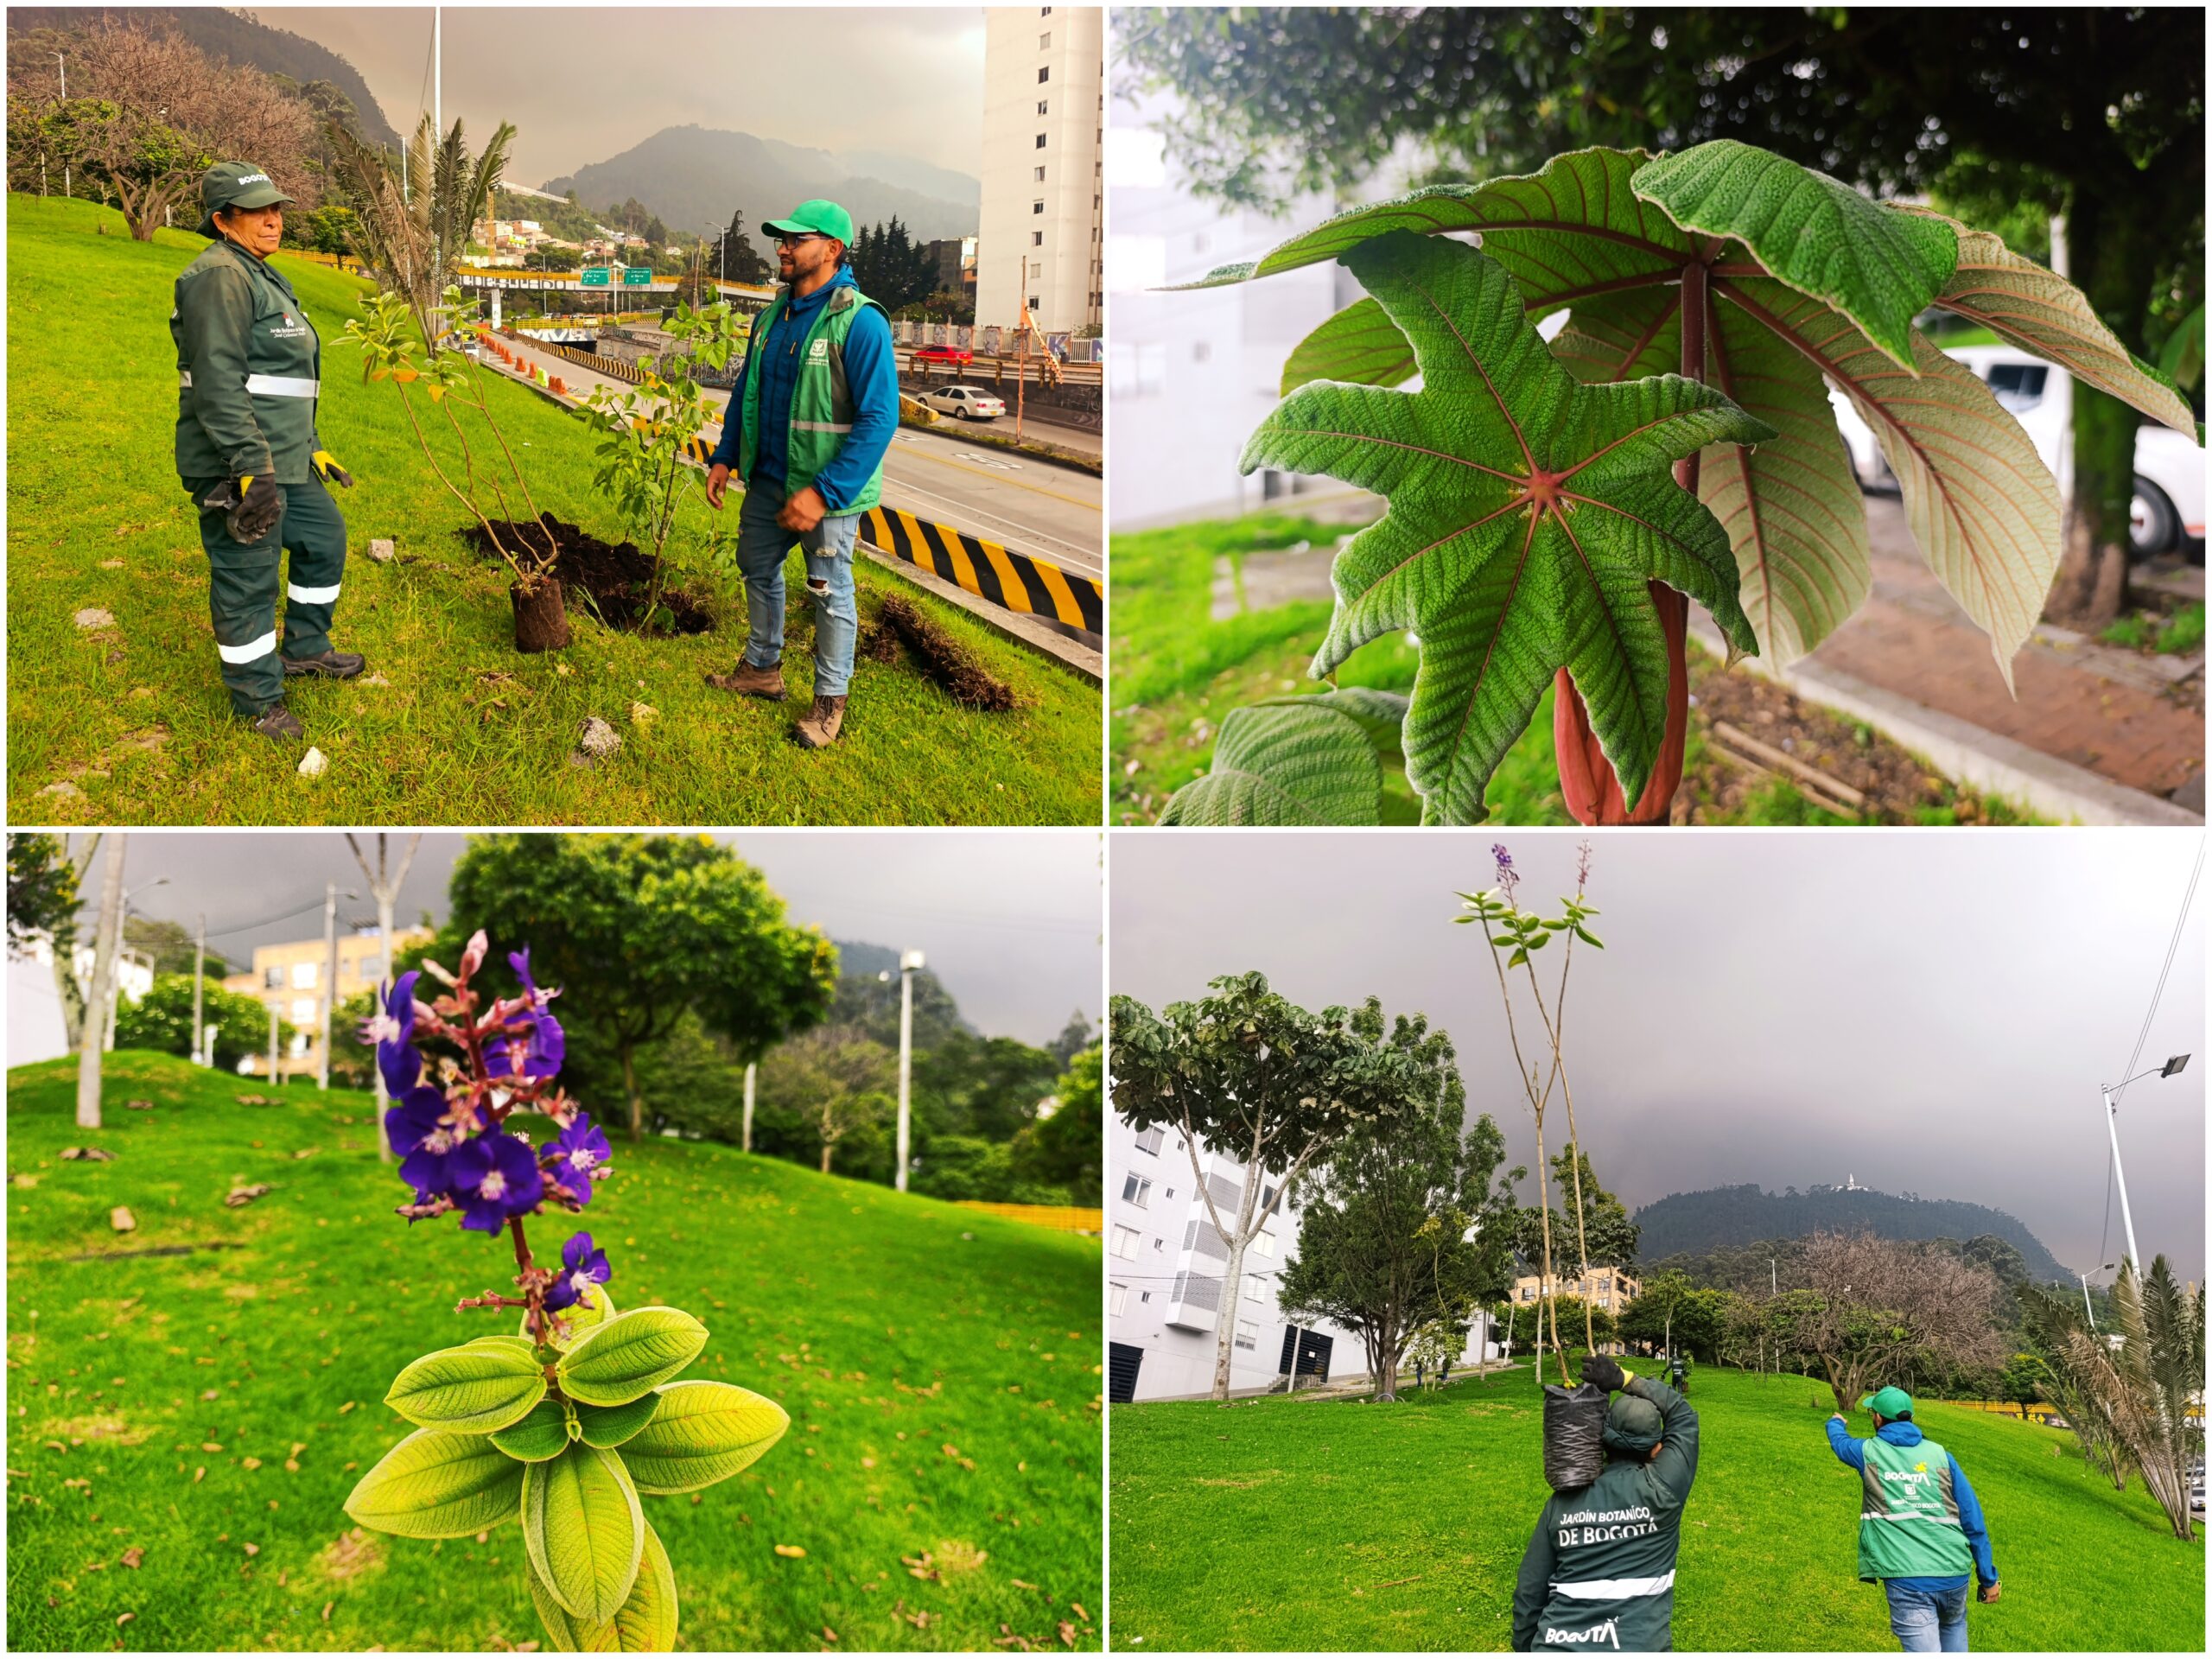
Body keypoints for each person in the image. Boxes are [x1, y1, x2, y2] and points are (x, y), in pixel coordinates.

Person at [172, 161, 363, 741]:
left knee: (323, 538)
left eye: (278, 209)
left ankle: (306, 647)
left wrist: (314, 447)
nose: (275, 221)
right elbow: (218, 383)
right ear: (223, 218)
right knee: (248, 576)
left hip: (287, 457)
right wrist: (251, 468)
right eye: (259, 211)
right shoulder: (217, 277)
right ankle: (257, 699)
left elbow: (284, 380)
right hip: (241, 465)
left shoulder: (259, 273)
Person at [702, 199, 898, 749]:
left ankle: (829, 702)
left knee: (830, 593)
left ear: (833, 249)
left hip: (827, 494)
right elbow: (747, 392)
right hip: (767, 482)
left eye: (796, 240)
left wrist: (824, 492)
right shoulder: (771, 316)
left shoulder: (860, 322)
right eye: (781, 240)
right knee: (756, 567)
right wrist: (725, 456)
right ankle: (762, 669)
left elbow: (881, 419)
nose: (783, 249)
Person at [1512, 1353, 1699, 1651]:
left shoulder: (1562, 1502)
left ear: (1602, 1439)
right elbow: (1684, 1415)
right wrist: (1625, 1378)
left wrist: (1524, 1646)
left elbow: (1530, 1591)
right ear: (1656, 1450)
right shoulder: (1665, 1488)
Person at [1827, 1386, 1999, 1653]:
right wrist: (1988, 1578)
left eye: (1872, 1413)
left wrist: (1835, 1423)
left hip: (1908, 1581)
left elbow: (1840, 1443)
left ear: (1878, 1419)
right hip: (1954, 1574)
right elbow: (1972, 1519)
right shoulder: (1941, 1456)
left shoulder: (1868, 1452)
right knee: (1953, 1629)